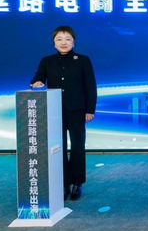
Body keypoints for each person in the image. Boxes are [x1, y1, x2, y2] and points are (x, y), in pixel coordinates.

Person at [30, 26, 97, 201]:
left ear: (73, 42)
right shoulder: (47, 61)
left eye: (67, 39)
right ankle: (64, 183)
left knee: (77, 147)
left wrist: (90, 110)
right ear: (54, 43)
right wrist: (36, 83)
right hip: (54, 112)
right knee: (58, 148)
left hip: (77, 111)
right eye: (59, 39)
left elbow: (90, 86)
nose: (63, 42)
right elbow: (38, 78)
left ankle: (77, 183)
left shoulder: (83, 60)